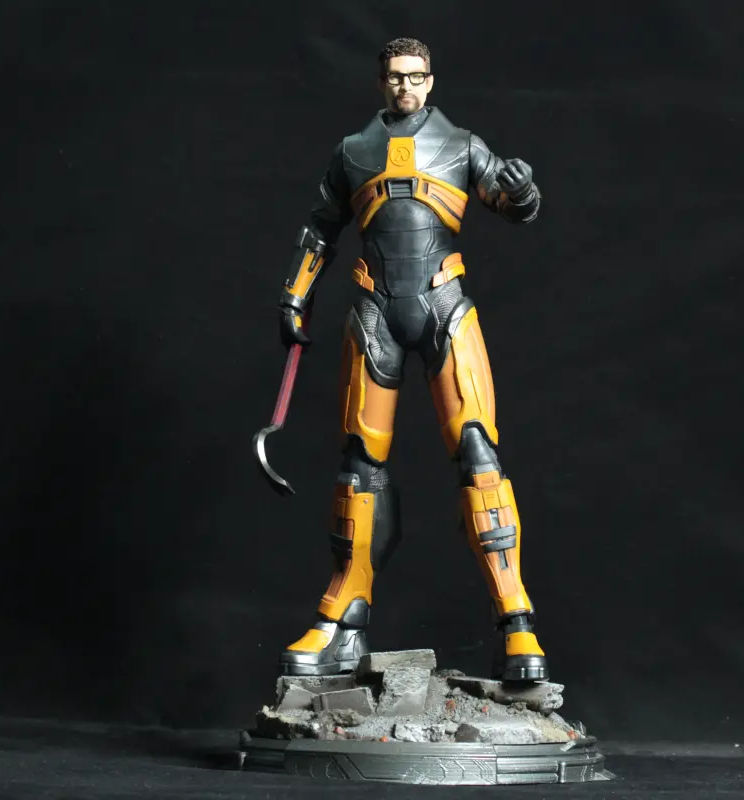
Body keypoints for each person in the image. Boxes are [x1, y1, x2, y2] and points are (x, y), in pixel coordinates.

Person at [274, 37, 546, 682]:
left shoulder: (463, 144)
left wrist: (523, 190)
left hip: (444, 305)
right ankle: (344, 618)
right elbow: (321, 226)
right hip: (375, 312)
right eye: (395, 76)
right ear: (381, 81)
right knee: (359, 464)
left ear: (430, 80)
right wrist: (295, 293)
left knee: (478, 450)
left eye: (415, 76)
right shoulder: (354, 151)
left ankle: (516, 620)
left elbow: (511, 205)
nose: (405, 86)